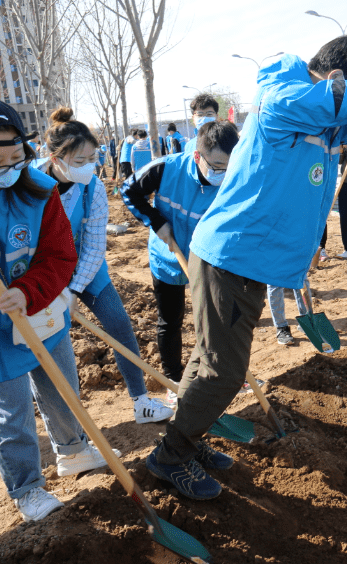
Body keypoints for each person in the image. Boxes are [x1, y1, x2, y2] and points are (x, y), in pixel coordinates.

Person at [144, 30, 347, 500]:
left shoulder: (322, 123)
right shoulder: (286, 99)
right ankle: (170, 455)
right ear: (335, 78)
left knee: (208, 360)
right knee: (223, 371)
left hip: (248, 260)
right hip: (233, 256)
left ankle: (187, 440)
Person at [0, 102, 117, 523]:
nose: (9, 171)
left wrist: (28, 291)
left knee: (61, 384)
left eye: (16, 159)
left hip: (42, 311)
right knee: (13, 415)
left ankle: (72, 453)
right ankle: (28, 489)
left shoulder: (38, 188)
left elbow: (60, 254)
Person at [40, 107, 173, 424]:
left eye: (92, 160)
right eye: (80, 162)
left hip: (85, 267)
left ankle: (141, 402)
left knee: (119, 324)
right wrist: (55, 289)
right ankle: (70, 429)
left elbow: (96, 245)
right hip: (42, 274)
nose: (90, 168)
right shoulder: (32, 185)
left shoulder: (94, 188)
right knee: (54, 344)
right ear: (56, 158)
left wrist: (74, 289)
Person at [121, 121, 240, 407]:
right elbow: (129, 191)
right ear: (198, 155)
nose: (221, 174)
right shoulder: (166, 168)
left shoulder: (236, 177)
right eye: (216, 166)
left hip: (209, 258)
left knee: (220, 318)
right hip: (168, 256)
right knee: (170, 320)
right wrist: (156, 221)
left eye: (228, 167)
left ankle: (227, 373)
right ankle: (173, 381)